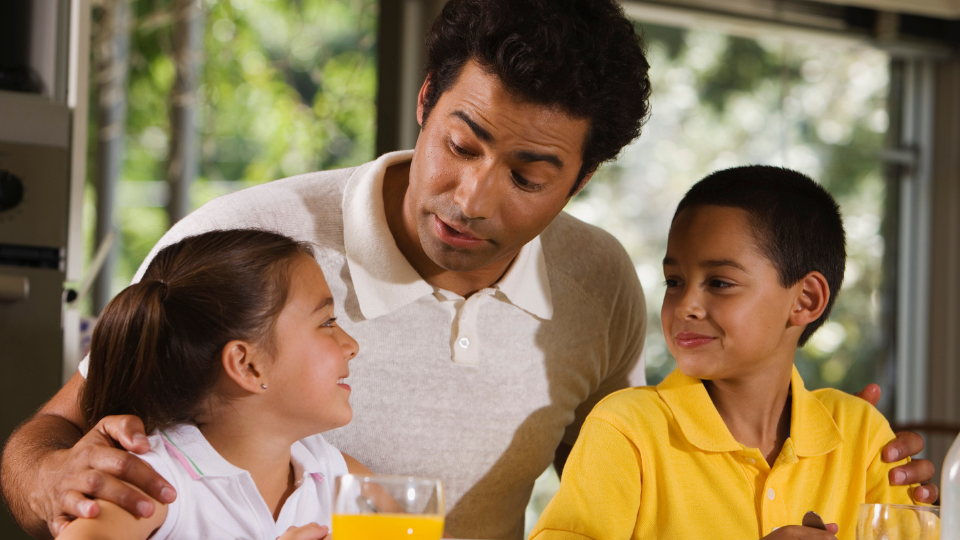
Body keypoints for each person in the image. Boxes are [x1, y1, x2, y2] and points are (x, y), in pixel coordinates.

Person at [0, 1, 937, 539]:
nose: (472, 197)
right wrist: (55, 482)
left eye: (531, 174)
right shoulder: (252, 239)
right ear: (424, 102)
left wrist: (849, 473)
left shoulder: (600, 280)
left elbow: (635, 476)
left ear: (583, 176)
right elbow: (57, 430)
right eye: (462, 143)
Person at [530, 167, 920, 540]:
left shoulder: (861, 435)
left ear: (805, 300)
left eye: (719, 282)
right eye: (674, 281)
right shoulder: (627, 430)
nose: (686, 305)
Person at [57, 229, 365, 540]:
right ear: (248, 366)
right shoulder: (151, 483)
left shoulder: (338, 476)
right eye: (326, 322)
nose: (351, 345)